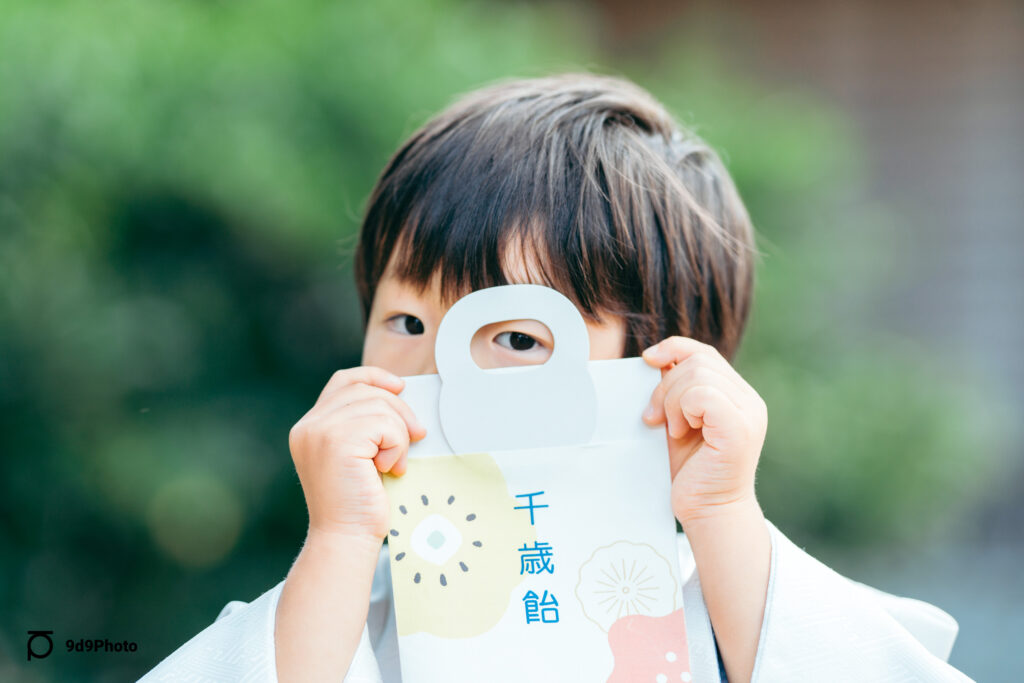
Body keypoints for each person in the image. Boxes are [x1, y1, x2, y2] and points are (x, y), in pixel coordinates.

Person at [139, 73, 971, 682]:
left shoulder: (731, 605)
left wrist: (721, 513)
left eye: (509, 335)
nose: (437, 372)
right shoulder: (343, 605)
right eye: (405, 322)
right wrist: (337, 546)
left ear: (663, 376)